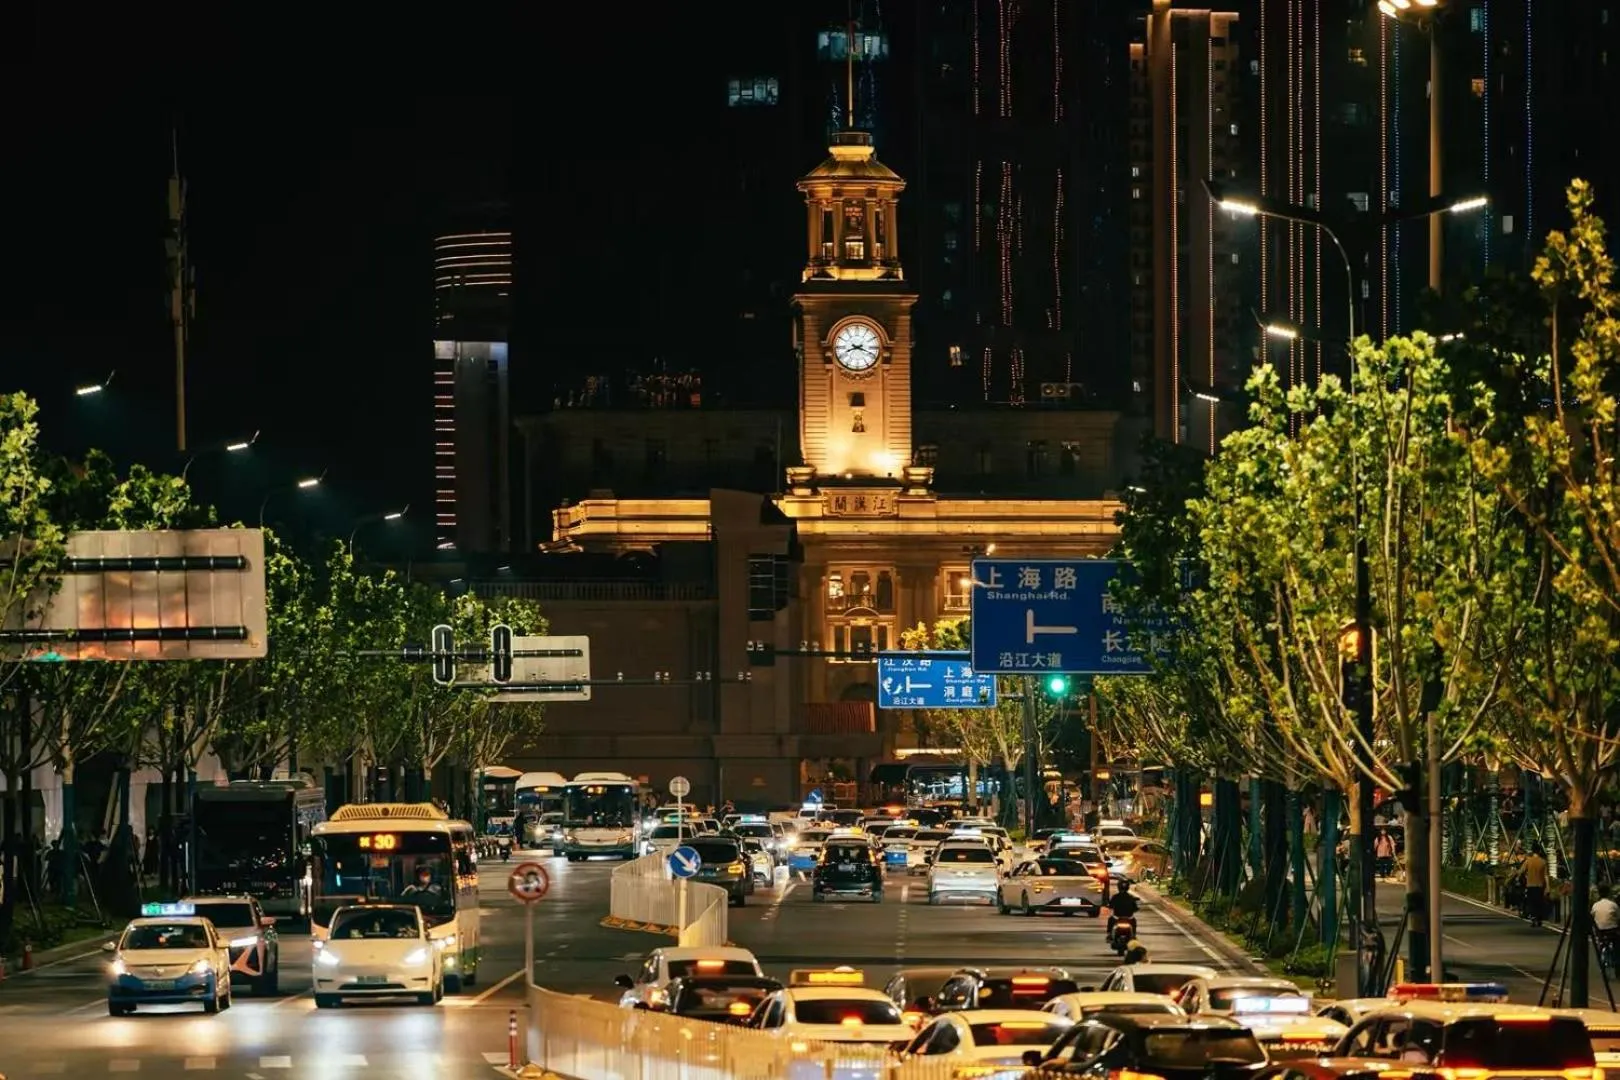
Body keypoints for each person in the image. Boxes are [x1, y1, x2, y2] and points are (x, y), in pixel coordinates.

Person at [1522, 845, 1549, 927]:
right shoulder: (1543, 862)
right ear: (1539, 851)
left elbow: (1521, 871)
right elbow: (1546, 876)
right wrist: (1548, 887)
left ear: (1533, 851)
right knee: (1539, 902)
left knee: (1532, 902)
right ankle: (1539, 919)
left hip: (1530, 885)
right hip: (1540, 885)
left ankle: (1533, 919)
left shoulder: (1528, 861)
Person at [1594, 885, 1620, 961]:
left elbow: (1592, 916)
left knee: (1599, 941)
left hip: (1599, 931)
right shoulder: (1613, 904)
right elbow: (1619, 917)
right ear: (1609, 893)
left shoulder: (1595, 905)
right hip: (1612, 931)